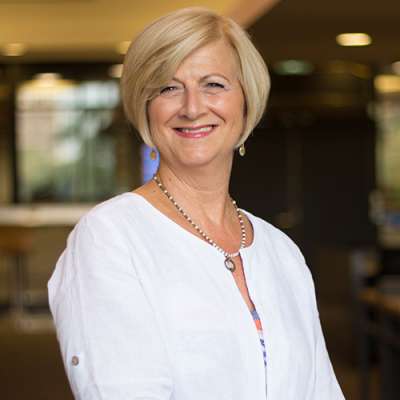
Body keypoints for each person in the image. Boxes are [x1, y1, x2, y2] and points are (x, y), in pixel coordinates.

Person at [48, 7, 345, 400]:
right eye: (168, 88)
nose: (192, 107)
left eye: (214, 84)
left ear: (245, 100)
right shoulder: (110, 238)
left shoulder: (281, 252)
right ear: (145, 107)